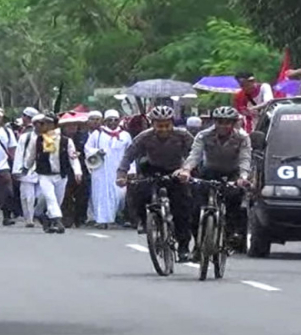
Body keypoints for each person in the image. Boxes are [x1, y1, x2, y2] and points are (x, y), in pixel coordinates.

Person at [117, 106, 194, 262]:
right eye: (159, 125)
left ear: (172, 124)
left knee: (182, 209)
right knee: (137, 191)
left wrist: (186, 170)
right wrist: (121, 175)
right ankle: (145, 222)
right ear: (153, 124)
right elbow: (128, 156)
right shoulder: (143, 137)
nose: (163, 129)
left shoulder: (183, 136)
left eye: (167, 125)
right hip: (152, 170)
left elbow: (195, 154)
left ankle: (184, 247)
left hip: (176, 171)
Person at [176, 106, 252, 256]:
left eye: (227, 123)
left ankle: (233, 235)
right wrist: (186, 170)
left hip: (232, 173)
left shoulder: (242, 137)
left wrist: (243, 177)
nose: (223, 126)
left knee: (236, 201)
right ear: (214, 122)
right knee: (195, 208)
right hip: (209, 171)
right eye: (220, 122)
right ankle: (198, 246)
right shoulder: (203, 135)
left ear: (234, 123)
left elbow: (245, 158)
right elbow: (195, 155)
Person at [24, 113, 83, 233]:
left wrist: (77, 171)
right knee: (51, 198)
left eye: (45, 123)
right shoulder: (38, 140)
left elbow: (73, 158)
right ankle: (57, 220)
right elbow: (31, 156)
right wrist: (26, 167)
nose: (42, 126)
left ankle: (41, 215)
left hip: (61, 175)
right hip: (44, 175)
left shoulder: (66, 141)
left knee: (57, 199)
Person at [85, 109, 134, 229]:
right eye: (110, 120)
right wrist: (97, 151)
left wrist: (132, 170)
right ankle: (102, 220)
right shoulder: (97, 134)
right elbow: (87, 148)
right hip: (101, 170)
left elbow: (131, 153)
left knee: (119, 194)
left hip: (119, 169)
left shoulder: (125, 135)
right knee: (101, 194)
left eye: (115, 120)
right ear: (105, 121)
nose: (112, 122)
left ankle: (114, 216)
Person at [58, 112, 90, 228]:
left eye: (74, 125)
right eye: (69, 125)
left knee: (83, 195)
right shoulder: (58, 139)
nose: (72, 128)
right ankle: (66, 217)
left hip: (82, 170)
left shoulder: (84, 138)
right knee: (65, 196)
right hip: (64, 170)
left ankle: (81, 218)